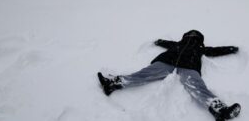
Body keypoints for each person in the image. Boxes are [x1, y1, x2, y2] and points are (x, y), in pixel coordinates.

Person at [97, 30, 241, 121]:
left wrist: (229, 49)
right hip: (166, 63)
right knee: (143, 74)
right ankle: (112, 84)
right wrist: (160, 42)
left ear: (199, 39)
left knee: (197, 86)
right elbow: (165, 43)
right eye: (190, 35)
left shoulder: (200, 48)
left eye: (195, 36)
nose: (192, 37)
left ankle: (220, 110)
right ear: (185, 36)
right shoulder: (176, 44)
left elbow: (215, 51)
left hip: (188, 67)